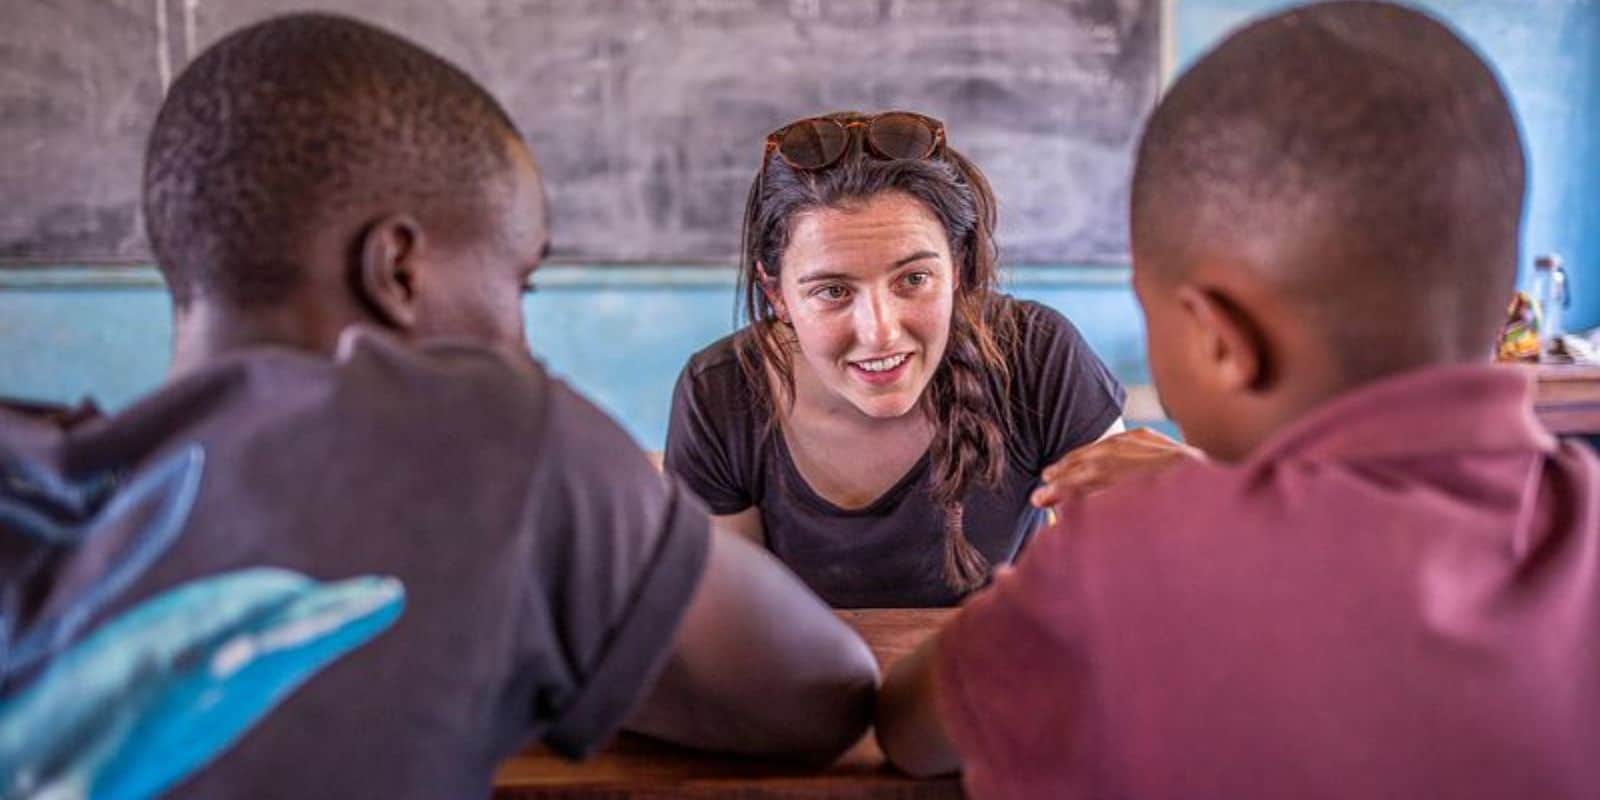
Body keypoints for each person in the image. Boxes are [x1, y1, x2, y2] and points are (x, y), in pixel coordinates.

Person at [0, 14, 877, 799]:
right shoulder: (479, 437)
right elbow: (820, 693)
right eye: (518, 282)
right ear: (398, 272)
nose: (525, 343)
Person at [876, 2, 1600, 797]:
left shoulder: (1128, 562)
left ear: (1217, 338)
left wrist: (1186, 507)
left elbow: (911, 730)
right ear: (1504, 308)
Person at [666, 111, 1127, 607]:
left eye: (913, 279)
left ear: (956, 267)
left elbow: (1134, 579)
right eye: (833, 291)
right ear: (777, 295)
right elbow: (729, 623)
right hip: (800, 684)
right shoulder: (719, 392)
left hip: (998, 674)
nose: (881, 331)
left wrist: (1202, 494)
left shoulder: (1035, 353)